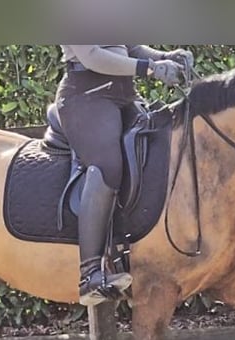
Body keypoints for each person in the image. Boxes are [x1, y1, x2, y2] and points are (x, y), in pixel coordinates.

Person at [55, 45, 194, 306]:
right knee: (108, 165)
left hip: (124, 96)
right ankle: (91, 274)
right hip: (86, 96)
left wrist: (164, 57)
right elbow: (92, 57)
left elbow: (130, 47)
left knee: (161, 147)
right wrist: (149, 68)